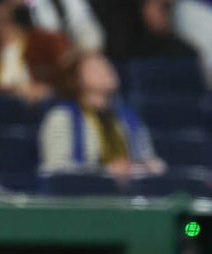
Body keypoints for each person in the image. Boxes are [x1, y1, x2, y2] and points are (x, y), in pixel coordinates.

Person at [39, 51, 165, 180]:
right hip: (86, 191)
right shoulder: (61, 118)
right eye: (95, 67)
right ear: (75, 80)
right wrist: (106, 172)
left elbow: (148, 157)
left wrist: (151, 166)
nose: (106, 69)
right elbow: (56, 172)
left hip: (130, 190)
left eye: (106, 63)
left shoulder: (129, 116)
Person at [0, 0, 70, 104]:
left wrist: (44, 89)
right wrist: (11, 91)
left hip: (44, 109)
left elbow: (66, 79)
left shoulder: (49, 42)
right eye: (0, 3)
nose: (4, 10)